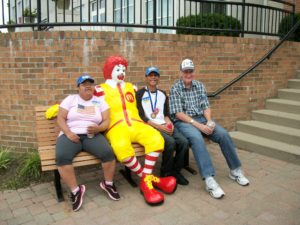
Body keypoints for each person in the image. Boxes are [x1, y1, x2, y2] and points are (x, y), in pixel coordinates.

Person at [94, 56, 176, 206]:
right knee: (120, 147)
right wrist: (59, 109)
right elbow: (82, 101)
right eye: (118, 69)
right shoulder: (100, 90)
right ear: (109, 70)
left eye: (123, 70)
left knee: (156, 139)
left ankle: (146, 181)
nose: (121, 72)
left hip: (137, 123)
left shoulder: (132, 87)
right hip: (116, 126)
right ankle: (151, 180)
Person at [169, 59, 250, 199]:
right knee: (196, 138)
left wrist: (209, 121)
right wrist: (199, 125)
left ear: (194, 71)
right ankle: (209, 179)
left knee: (223, 134)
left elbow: (205, 106)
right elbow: (178, 113)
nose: (188, 74)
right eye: (185, 71)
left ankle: (235, 170)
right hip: (184, 122)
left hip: (201, 119)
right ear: (180, 72)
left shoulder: (199, 85)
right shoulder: (175, 88)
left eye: (191, 71)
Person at [56, 74, 120, 212]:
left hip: (93, 135)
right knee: (62, 157)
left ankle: (108, 184)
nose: (88, 86)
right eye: (84, 84)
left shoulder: (100, 101)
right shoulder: (71, 99)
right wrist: (68, 133)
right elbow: (60, 118)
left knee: (108, 153)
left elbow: (106, 121)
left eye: (90, 83)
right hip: (71, 134)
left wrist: (99, 128)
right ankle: (76, 191)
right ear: (78, 87)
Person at [136, 66, 189, 185]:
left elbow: (166, 114)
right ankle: (165, 173)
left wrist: (169, 123)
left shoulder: (162, 94)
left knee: (184, 142)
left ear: (159, 78)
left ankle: (176, 172)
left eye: (156, 75)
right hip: (150, 126)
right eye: (150, 75)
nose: (153, 77)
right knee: (170, 142)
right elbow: (141, 117)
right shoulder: (139, 94)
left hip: (164, 124)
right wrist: (160, 127)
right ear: (146, 77)